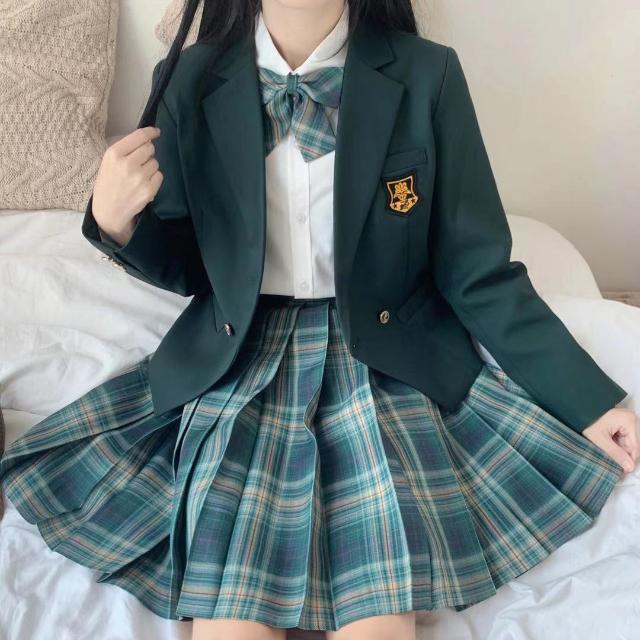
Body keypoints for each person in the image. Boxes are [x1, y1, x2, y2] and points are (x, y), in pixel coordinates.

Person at [1, 1, 638, 639]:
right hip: (240, 362)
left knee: (379, 613)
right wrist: (116, 224)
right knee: (232, 618)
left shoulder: (427, 74)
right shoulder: (190, 77)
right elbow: (192, 265)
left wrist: (588, 399)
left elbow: (476, 270)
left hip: (384, 362)